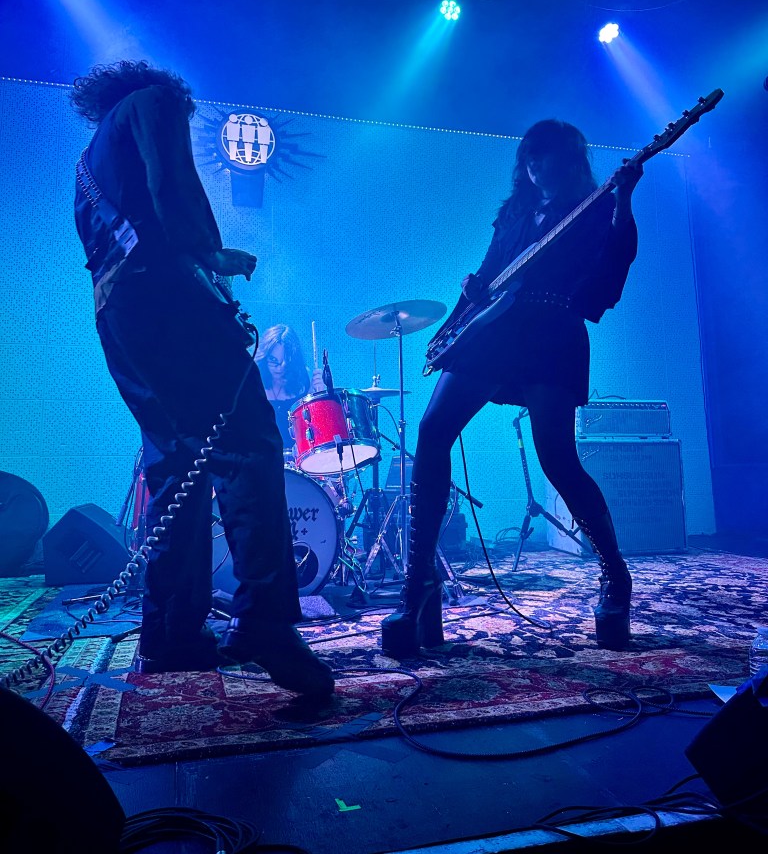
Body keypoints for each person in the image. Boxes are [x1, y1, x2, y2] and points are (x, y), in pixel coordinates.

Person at [71, 59, 333, 698]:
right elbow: (174, 187)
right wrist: (209, 252)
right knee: (250, 445)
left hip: (118, 310)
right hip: (165, 299)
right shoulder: (152, 100)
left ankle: (173, 635)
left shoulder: (90, 155)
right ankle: (266, 622)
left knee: (175, 465)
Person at [381, 119, 643, 658]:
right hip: (496, 332)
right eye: (528, 158)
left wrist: (624, 201)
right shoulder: (514, 213)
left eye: (545, 157)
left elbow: (611, 275)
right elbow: (488, 276)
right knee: (432, 432)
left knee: (557, 459)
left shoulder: (595, 208)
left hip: (553, 334)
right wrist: (469, 299)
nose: (534, 167)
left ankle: (615, 578)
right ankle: (418, 585)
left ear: (569, 161)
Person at [254, 324, 324, 458]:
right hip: (261, 453)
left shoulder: (302, 377)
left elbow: (309, 421)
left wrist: (316, 395)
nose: (280, 368)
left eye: (286, 361)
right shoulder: (254, 377)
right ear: (265, 356)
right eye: (274, 360)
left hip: (295, 455)